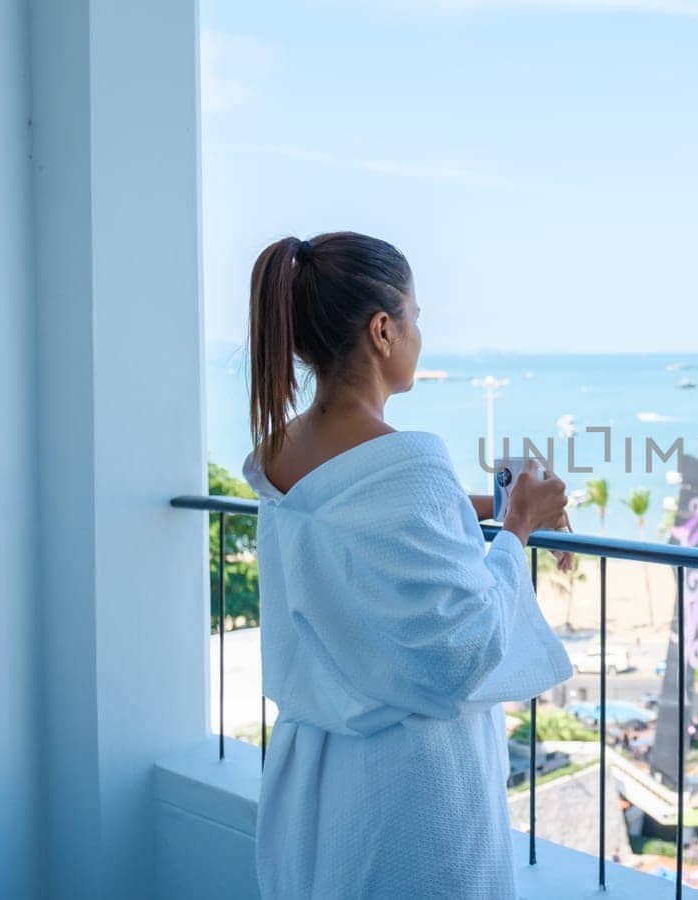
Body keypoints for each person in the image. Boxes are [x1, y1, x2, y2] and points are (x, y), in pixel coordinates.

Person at [241, 232, 574, 899]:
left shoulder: (279, 450)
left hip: (315, 779)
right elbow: (464, 646)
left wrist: (472, 502)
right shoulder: (410, 461)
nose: (421, 333)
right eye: (416, 316)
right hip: (414, 792)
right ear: (383, 330)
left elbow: (354, 523)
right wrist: (517, 527)